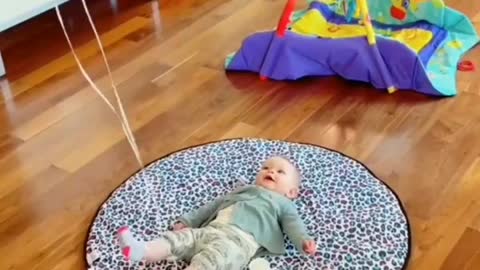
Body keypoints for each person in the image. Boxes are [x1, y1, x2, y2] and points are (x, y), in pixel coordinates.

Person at [117, 156, 316, 270]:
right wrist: (188, 220)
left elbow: (293, 224)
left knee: (211, 260)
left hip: (237, 243)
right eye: (266, 167)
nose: (271, 171)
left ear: (291, 192)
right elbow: (211, 207)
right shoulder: (243, 191)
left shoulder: (283, 204)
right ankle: (143, 250)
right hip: (210, 230)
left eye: (280, 172)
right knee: (179, 239)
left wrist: (303, 240)